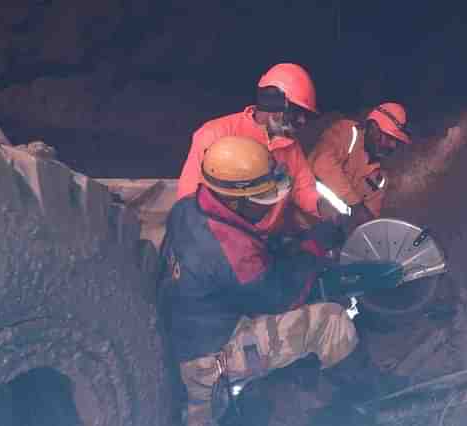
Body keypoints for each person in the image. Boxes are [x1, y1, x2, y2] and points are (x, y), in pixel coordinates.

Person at [159, 136, 404, 426]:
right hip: (209, 359)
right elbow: (281, 297)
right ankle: (368, 400)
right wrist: (312, 249)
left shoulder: (189, 207)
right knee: (331, 321)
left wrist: (294, 245)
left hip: (191, 326)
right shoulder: (229, 250)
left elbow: (244, 261)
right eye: (262, 200)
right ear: (235, 199)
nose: (268, 206)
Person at [177, 63, 339, 234]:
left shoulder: (291, 147)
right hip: (223, 239)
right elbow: (189, 198)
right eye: (297, 113)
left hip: (265, 241)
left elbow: (302, 187)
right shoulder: (214, 133)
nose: (302, 121)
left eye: (304, 116)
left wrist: (323, 208)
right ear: (275, 106)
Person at [295, 102, 412, 233]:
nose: (393, 146)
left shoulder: (381, 179)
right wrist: (356, 205)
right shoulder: (347, 132)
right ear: (373, 128)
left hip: (328, 237)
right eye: (390, 138)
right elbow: (321, 164)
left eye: (397, 142)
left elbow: (367, 222)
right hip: (298, 220)